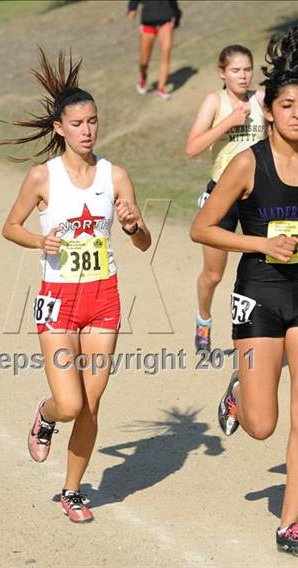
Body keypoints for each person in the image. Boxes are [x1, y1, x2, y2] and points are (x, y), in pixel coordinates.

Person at [0, 49, 151, 523]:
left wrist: (131, 224)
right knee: (69, 402)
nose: (88, 130)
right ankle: (45, 416)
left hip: (103, 298)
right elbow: (10, 226)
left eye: (93, 121)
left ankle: (72, 490)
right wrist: (36, 239)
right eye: (78, 122)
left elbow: (143, 243)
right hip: (58, 302)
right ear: (59, 128)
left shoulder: (116, 176)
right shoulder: (42, 177)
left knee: (91, 403)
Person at [190, 25, 298, 556]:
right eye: (288, 104)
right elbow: (202, 228)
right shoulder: (245, 163)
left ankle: (291, 522)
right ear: (271, 111)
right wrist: (261, 243)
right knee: (260, 425)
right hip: (258, 292)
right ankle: (241, 388)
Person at [185, 45, 266, 352]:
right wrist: (228, 122)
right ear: (222, 73)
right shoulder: (214, 101)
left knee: (268, 264)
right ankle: (203, 320)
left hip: (258, 198)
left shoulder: (260, 100)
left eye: (247, 69)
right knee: (214, 274)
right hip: (221, 195)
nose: (242, 76)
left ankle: (265, 329)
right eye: (235, 70)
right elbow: (192, 149)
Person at [127, 0, 181, 99]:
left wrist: (176, 17)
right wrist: (132, 8)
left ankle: (161, 89)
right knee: (144, 61)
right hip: (148, 21)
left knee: (166, 53)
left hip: (166, 20)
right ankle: (143, 77)